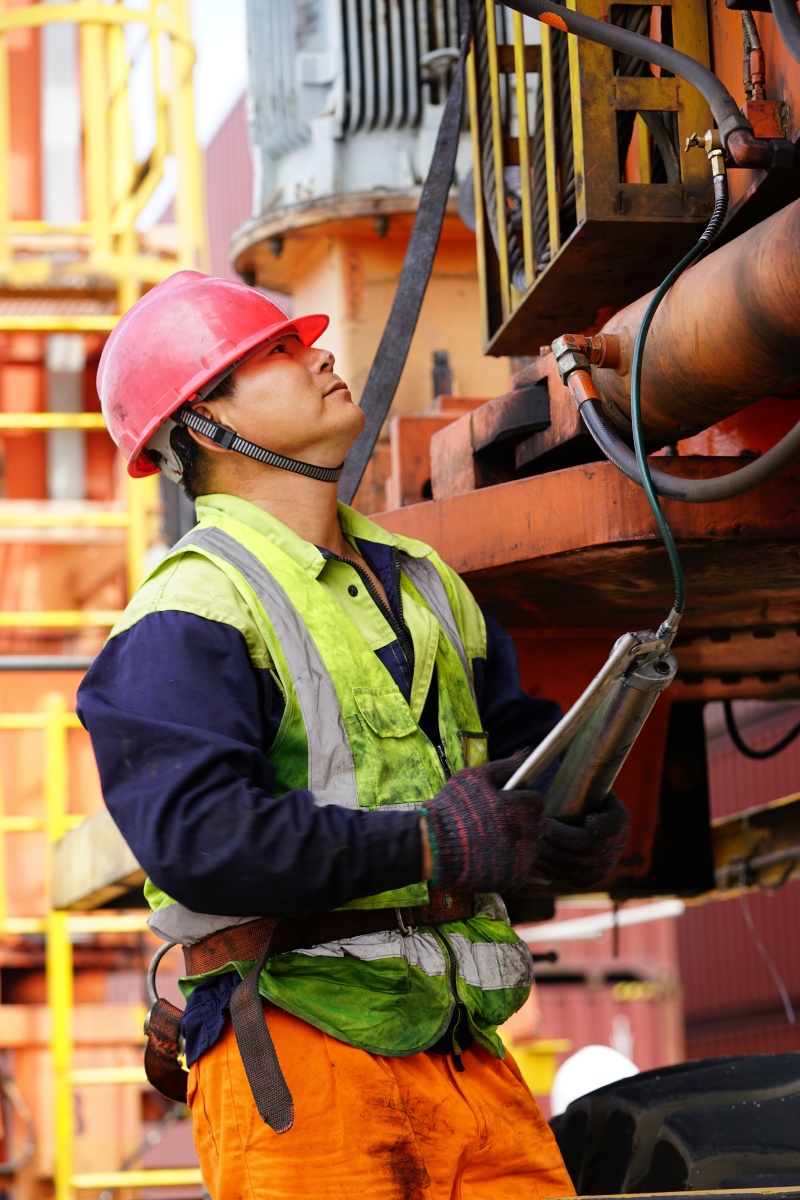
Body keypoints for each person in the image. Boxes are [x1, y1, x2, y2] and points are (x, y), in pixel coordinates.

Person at [77, 271, 630, 1200]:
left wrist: (570, 810)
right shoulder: (189, 612)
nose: (320, 355)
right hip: (300, 1052)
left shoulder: (424, 582)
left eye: (303, 342)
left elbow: (513, 741)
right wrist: (430, 841)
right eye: (276, 355)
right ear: (204, 423)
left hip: (468, 1051)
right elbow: (204, 840)